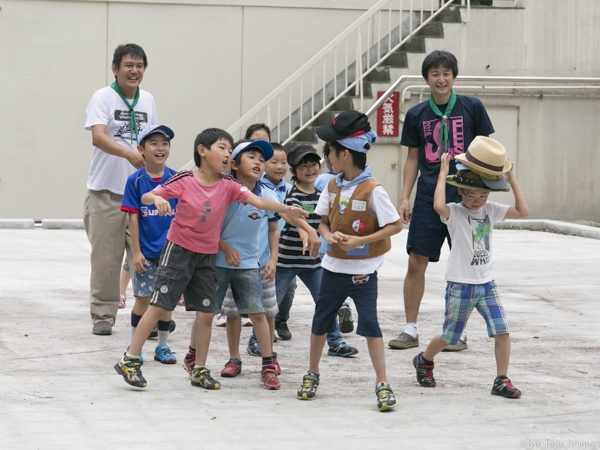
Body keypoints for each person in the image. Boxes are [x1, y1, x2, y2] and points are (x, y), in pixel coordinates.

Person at [113, 128, 308, 389]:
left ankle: (200, 369)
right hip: (179, 251)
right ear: (202, 151)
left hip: (207, 256)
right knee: (160, 305)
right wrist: (156, 200)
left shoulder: (229, 185)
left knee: (206, 312)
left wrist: (285, 208)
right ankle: (130, 358)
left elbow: (259, 202)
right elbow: (149, 195)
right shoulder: (185, 179)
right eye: (222, 148)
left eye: (230, 150)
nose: (227, 154)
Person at [388, 50, 495, 351]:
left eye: (446, 73)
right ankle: (410, 329)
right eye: (435, 73)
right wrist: (404, 197)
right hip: (427, 197)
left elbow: (488, 149)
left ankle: (456, 331)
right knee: (415, 261)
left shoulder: (472, 107)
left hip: (467, 200)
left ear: (454, 77)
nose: (441, 78)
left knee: (466, 265)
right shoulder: (417, 114)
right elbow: (412, 158)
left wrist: (487, 192)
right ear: (427, 78)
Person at [296, 111, 403, 411]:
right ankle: (312, 373)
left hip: (364, 272)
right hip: (332, 269)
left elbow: (395, 225)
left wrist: (360, 241)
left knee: (370, 324)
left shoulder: (374, 190)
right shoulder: (331, 186)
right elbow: (322, 223)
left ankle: (382, 382)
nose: (326, 156)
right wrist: (327, 236)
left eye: (329, 150)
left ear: (344, 154)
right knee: (320, 321)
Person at [413, 136, 528, 398]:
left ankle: (501, 379)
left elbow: (523, 211)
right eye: (471, 194)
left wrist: (512, 180)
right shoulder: (455, 212)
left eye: (483, 195)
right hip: (461, 285)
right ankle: (425, 360)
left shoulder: (492, 210)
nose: (477, 200)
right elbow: (438, 206)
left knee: (502, 330)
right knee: (450, 337)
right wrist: (443, 173)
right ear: (461, 192)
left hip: (487, 283)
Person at [84, 43, 157, 335]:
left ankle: (149, 318)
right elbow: (98, 138)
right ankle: (103, 314)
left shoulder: (148, 99)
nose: (134, 71)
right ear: (115, 68)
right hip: (106, 192)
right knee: (107, 258)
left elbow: (153, 140)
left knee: (148, 256)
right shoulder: (102, 97)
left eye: (139, 66)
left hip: (141, 193)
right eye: (128, 65)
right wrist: (128, 153)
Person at [210, 139, 282, 389]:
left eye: (262, 160)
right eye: (251, 157)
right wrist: (225, 247)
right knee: (228, 314)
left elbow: (274, 229)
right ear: (234, 164)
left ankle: (268, 364)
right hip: (220, 262)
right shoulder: (224, 189)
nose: (259, 163)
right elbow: (210, 225)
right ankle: (233, 359)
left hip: (251, 264)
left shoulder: (268, 193)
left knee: (258, 313)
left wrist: (272, 258)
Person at [275, 144, 357, 357]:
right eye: (304, 166)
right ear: (293, 172)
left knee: (326, 301)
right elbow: (294, 218)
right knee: (270, 305)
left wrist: (332, 235)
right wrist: (307, 233)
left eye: (313, 165)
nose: (310, 169)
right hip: (287, 260)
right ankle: (256, 340)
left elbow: (327, 221)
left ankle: (336, 342)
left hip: (313, 262)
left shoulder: (322, 195)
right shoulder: (293, 196)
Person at [120, 125, 178, 364]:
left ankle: (162, 347)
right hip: (146, 253)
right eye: (154, 143)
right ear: (141, 149)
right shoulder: (135, 181)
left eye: (164, 143)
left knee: (166, 302)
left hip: (171, 253)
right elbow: (133, 216)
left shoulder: (176, 178)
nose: (160, 148)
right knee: (143, 299)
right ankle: (136, 345)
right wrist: (136, 252)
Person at [315, 143, 354, 334]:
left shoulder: (322, 179)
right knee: (343, 278)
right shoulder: (357, 183)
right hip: (346, 241)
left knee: (327, 284)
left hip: (325, 242)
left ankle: (336, 311)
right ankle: (344, 304)